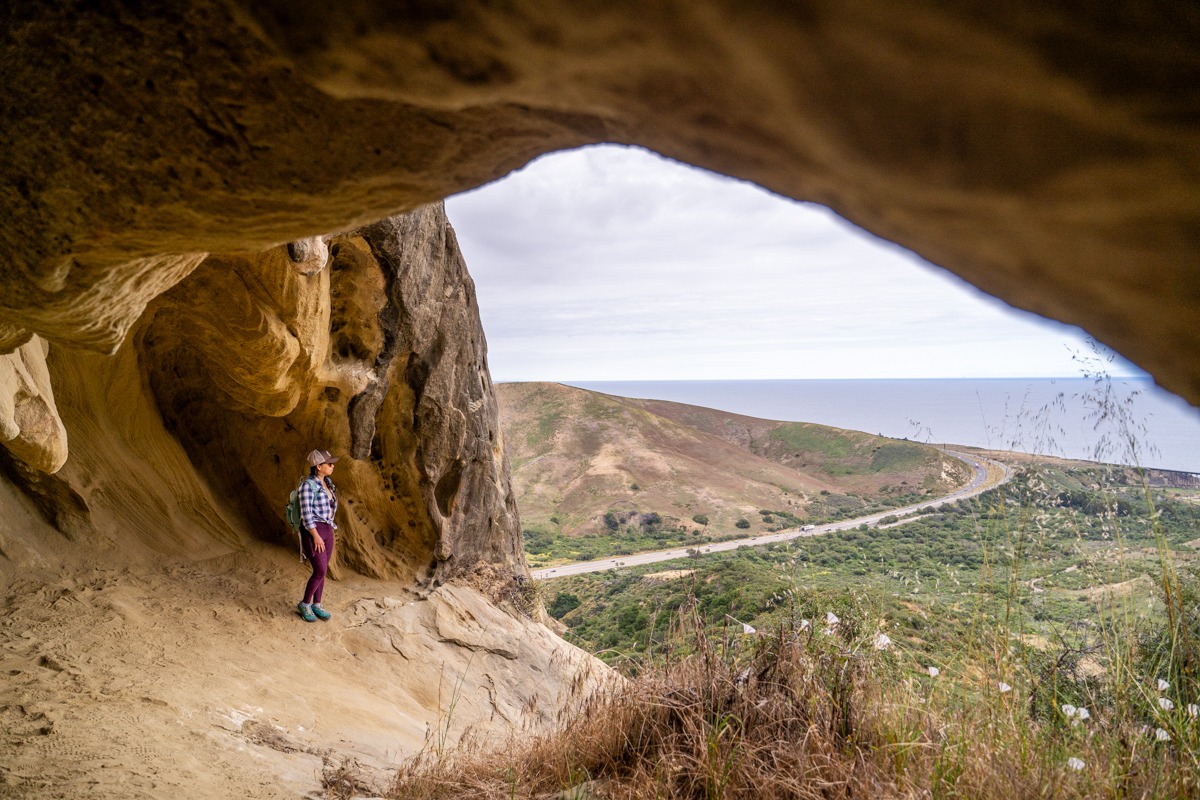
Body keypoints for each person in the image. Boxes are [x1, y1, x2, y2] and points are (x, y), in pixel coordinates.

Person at [297, 449, 339, 622]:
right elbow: (306, 514)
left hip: (327, 529)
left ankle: (317, 604)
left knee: (324, 569)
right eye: (329, 464)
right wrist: (315, 536)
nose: (332, 466)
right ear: (318, 466)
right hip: (313, 531)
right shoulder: (308, 486)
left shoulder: (327, 483)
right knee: (320, 569)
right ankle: (305, 604)